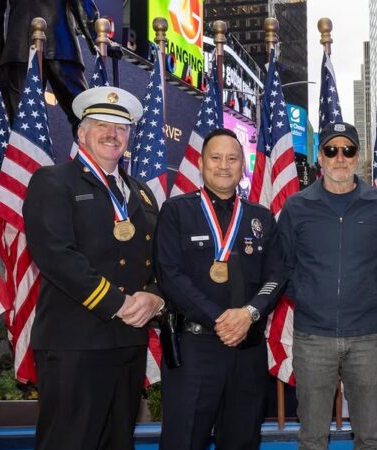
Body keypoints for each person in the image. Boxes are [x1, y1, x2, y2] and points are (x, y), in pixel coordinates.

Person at [23, 86, 164, 450]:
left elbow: (160, 259)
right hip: (75, 343)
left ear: (129, 136)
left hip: (128, 342)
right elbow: (57, 256)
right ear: (81, 133)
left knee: (118, 442)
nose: (111, 134)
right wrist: (117, 303)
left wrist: (154, 298)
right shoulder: (52, 181)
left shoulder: (142, 194)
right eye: (101, 124)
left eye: (120, 127)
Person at [154, 128, 286, 450]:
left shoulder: (261, 218)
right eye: (215, 157)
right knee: (183, 441)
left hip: (247, 351)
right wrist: (222, 319)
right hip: (194, 350)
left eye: (232, 158)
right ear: (201, 163)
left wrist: (249, 314)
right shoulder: (176, 211)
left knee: (242, 441)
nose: (224, 165)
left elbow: (277, 276)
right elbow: (170, 276)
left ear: (243, 166)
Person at [278, 122, 377, 450]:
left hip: (367, 337)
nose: (339, 157)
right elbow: (284, 266)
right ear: (320, 157)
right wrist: (311, 300)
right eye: (331, 150)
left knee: (370, 437)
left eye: (348, 150)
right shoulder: (297, 206)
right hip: (313, 338)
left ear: (358, 156)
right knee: (312, 438)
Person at [0, 0, 99, 129]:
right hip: (60, 42)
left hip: (21, 47)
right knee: (87, 118)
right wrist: (97, 38)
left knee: (23, 130)